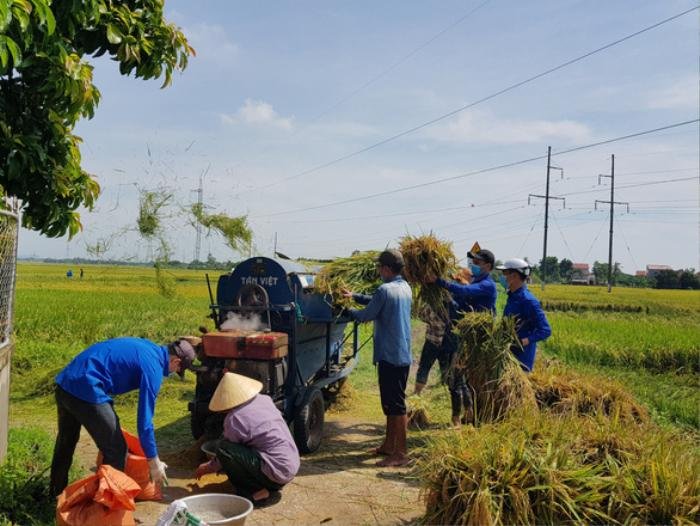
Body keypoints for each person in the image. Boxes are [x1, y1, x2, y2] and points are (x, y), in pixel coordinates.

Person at [49, 337, 197, 497]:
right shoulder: (154, 368)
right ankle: (106, 510)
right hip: (87, 387)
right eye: (178, 369)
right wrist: (153, 461)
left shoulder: (148, 347)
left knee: (66, 440)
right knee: (117, 450)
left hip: (65, 382)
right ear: (175, 361)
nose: (173, 373)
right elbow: (145, 422)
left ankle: (55, 494)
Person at [342, 249, 412, 468]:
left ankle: (400, 453)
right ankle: (389, 445)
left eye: (380, 267)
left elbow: (365, 316)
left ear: (387, 269)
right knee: (391, 403)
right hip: (401, 353)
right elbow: (377, 302)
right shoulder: (405, 287)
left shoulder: (384, 289)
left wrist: (345, 309)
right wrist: (353, 296)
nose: (379, 271)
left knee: (396, 405)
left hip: (390, 354)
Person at [195, 372, 300, 504]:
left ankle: (254, 491)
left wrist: (208, 467)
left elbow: (225, 452)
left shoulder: (234, 418)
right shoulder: (264, 399)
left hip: (275, 473)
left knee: (223, 449)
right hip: (290, 467)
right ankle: (266, 486)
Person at [428, 249, 497, 426]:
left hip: (475, 339)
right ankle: (468, 414)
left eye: (478, 262)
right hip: (464, 336)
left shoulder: (487, 285)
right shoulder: (475, 281)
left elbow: (465, 293)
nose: (474, 264)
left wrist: (439, 281)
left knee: (456, 377)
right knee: (460, 378)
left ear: (487, 266)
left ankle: (457, 419)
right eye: (473, 261)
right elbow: (461, 301)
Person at [413, 268, 471, 396]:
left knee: (424, 367)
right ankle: (459, 401)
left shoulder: (439, 299)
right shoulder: (460, 299)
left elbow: (424, 315)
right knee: (450, 374)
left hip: (434, 340)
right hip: (450, 342)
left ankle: (417, 396)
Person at [496, 258, 551, 371]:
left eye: (505, 273)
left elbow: (545, 330)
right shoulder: (512, 296)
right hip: (507, 354)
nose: (502, 277)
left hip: (521, 360)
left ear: (515, 275)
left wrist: (524, 341)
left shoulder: (528, 301)